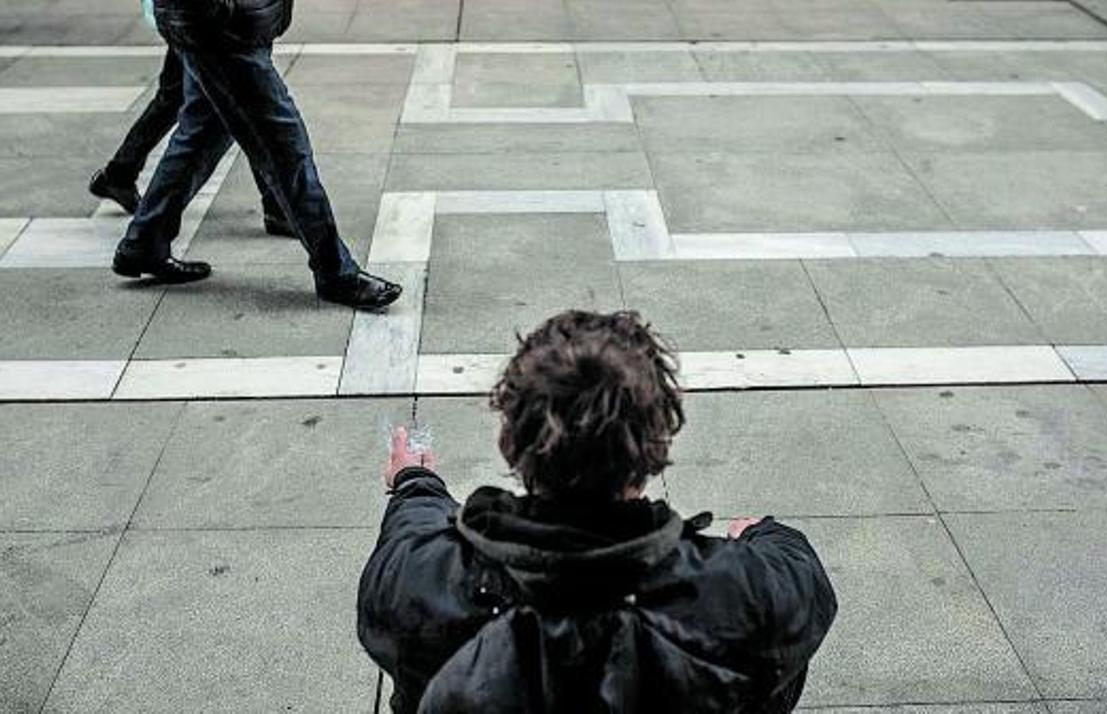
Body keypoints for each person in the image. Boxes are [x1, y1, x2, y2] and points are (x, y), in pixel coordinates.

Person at [358, 310, 838, 713]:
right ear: (656, 446)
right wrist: (762, 536)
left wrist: (414, 481)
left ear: (512, 443)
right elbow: (801, 578)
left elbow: (411, 533)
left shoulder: (418, 577)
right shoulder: (745, 589)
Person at [112, 0, 401, 310]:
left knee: (204, 134)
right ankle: (335, 271)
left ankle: (145, 241)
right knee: (284, 147)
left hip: (228, 23)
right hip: (220, 28)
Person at [88, 45, 293, 240]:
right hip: (215, 23)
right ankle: (278, 205)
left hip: (193, 19)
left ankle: (121, 174)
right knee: (246, 97)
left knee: (178, 95)